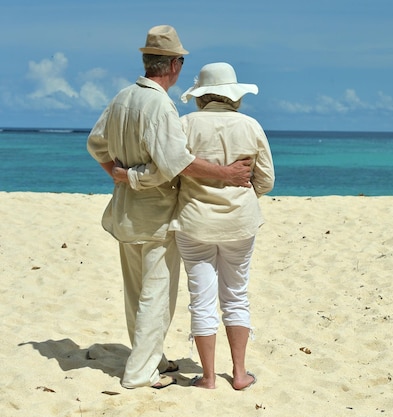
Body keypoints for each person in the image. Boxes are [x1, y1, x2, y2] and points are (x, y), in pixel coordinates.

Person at [86, 26, 252, 390]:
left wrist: (118, 175)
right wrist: (225, 173)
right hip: (156, 215)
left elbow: (96, 145)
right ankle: (141, 373)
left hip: (124, 212)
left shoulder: (122, 97)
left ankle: (152, 358)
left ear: (148, 61)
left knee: (136, 293)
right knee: (156, 297)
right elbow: (176, 164)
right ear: (174, 64)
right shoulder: (160, 104)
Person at [124, 62, 274, 390]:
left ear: (201, 95)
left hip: (194, 222)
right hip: (239, 223)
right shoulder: (251, 126)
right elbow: (266, 180)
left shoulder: (185, 124)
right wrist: (243, 195)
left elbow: (169, 168)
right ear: (233, 95)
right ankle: (238, 374)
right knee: (236, 296)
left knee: (201, 299)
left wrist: (131, 176)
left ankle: (208, 378)